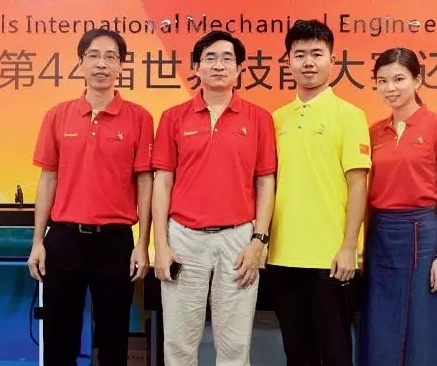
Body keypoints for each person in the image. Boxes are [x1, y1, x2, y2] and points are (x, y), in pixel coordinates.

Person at [27, 28, 154, 366]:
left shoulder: (139, 118)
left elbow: (145, 181)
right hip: (64, 239)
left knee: (113, 338)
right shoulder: (58, 115)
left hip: (115, 242)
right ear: (80, 63)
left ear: (121, 65)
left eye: (110, 57)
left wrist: (143, 243)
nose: (101, 64)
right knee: (59, 337)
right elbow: (48, 178)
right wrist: (38, 241)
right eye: (93, 56)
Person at [152, 30, 276, 366]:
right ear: (196, 67)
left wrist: (258, 241)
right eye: (210, 58)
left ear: (239, 69)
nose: (219, 65)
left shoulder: (259, 118)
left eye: (227, 59)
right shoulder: (173, 117)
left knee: (234, 345)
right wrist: (160, 245)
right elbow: (162, 183)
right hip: (183, 238)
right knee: (179, 344)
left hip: (238, 239)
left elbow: (266, 182)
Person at [266, 19, 371, 366]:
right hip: (282, 256)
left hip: (330, 259)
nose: (308, 62)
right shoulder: (276, 119)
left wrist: (349, 247)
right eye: (299, 55)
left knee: (336, 353)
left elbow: (358, 185)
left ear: (332, 60)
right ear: (288, 61)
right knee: (297, 354)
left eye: (316, 54)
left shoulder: (350, 115)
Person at [359, 47, 437, 366]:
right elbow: (366, 195)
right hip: (381, 235)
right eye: (382, 81)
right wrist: (360, 247)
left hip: (423, 234)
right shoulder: (373, 131)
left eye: (399, 79)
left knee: (424, 324)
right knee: (380, 321)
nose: (390, 88)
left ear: (417, 80)